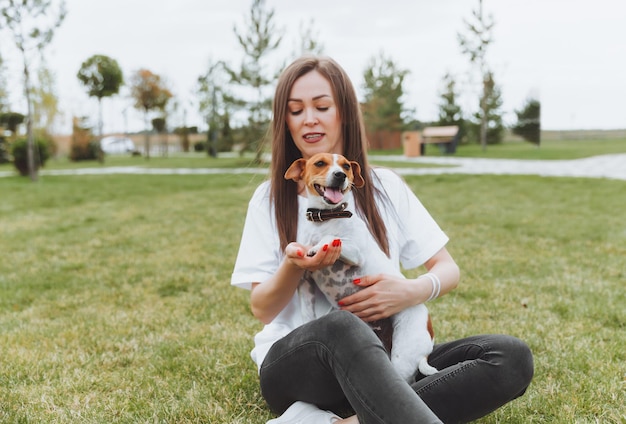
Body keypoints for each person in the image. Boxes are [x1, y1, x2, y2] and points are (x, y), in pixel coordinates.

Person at [231, 55, 533, 424]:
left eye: (322, 106)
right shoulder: (269, 197)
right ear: (285, 121)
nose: (309, 118)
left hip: (386, 358)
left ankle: (354, 420)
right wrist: (296, 264)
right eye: (296, 110)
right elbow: (262, 308)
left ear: (344, 113)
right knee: (343, 325)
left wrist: (412, 290)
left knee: (509, 356)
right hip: (303, 366)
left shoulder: (385, 186)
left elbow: (447, 268)